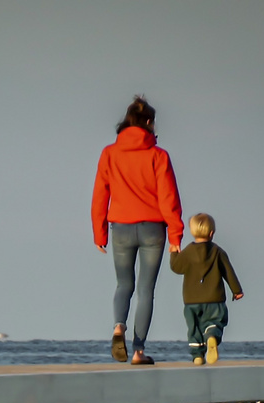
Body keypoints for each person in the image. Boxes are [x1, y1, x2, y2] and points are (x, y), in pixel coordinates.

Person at [91, 96, 183, 366]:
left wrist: (99, 233)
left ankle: (118, 326)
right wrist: (176, 236)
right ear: (149, 123)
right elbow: (169, 198)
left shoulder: (109, 153)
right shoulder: (158, 155)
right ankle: (138, 351)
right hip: (153, 229)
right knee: (145, 290)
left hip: (120, 227)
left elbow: (100, 194)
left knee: (123, 284)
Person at [169, 212, 243, 365]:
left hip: (191, 300)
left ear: (192, 232)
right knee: (215, 322)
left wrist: (174, 253)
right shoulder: (218, 251)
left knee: (194, 328)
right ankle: (211, 336)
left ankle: (197, 356)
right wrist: (237, 290)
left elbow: (176, 268)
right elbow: (228, 271)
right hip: (214, 298)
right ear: (211, 233)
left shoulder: (188, 252)